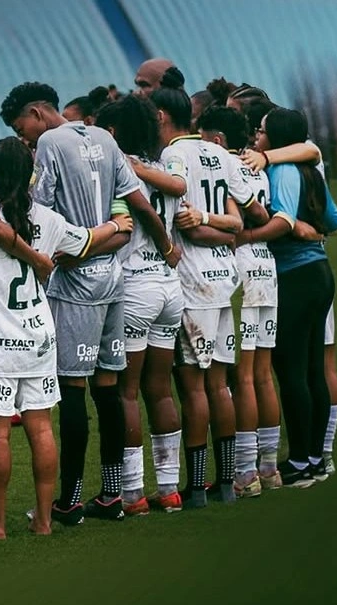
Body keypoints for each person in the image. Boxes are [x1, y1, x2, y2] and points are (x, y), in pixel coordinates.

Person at [0, 82, 176, 524]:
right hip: (114, 278)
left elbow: (39, 213)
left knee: (73, 390)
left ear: (38, 113)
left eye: (22, 127)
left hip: (76, 282)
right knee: (109, 388)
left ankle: (70, 501)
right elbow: (137, 205)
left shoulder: (50, 145)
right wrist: (166, 244)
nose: (24, 138)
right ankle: (112, 495)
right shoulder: (103, 137)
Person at [0, 137, 132, 539]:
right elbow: (87, 242)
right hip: (40, 336)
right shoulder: (49, 219)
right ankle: (42, 521)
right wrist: (114, 224)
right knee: (41, 429)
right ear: (31, 176)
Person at [153, 86, 250, 507]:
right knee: (220, 387)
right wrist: (222, 230)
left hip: (194, 283)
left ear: (161, 118)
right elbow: (236, 223)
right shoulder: (221, 155)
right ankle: (225, 483)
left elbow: (189, 227)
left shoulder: (173, 158)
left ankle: (195, 489)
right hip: (225, 279)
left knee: (193, 389)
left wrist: (200, 224)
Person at [96, 95, 186, 515]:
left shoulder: (120, 165)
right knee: (160, 389)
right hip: (171, 289)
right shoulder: (163, 166)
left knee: (127, 393)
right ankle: (168, 489)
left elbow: (138, 211)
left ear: (114, 132)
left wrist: (165, 243)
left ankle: (131, 494)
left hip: (136, 286)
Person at [246, 108, 337, 486]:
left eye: (262, 130)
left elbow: (281, 220)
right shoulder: (309, 169)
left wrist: (249, 233)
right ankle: (316, 458)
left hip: (296, 276)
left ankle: (300, 461)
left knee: (291, 371)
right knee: (313, 367)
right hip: (320, 274)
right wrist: (313, 226)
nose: (257, 136)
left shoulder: (283, 171)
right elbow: (335, 221)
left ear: (276, 137)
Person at [198, 105, 278, 498]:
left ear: (217, 140)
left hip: (240, 269)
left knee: (242, 377)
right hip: (268, 268)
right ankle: (268, 467)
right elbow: (262, 211)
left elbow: (242, 218)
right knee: (263, 374)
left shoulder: (223, 164)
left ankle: (245, 473)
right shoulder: (258, 167)